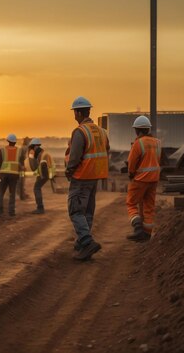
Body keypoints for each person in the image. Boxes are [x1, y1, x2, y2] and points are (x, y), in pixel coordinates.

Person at [65, 97, 109, 261]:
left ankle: (87, 241)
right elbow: (106, 149)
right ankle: (83, 244)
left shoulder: (80, 131)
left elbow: (75, 157)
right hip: (94, 177)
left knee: (76, 210)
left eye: (74, 112)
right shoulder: (101, 131)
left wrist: (69, 171)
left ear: (77, 112)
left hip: (81, 177)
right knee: (87, 211)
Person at [126, 115, 161, 242]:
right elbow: (157, 160)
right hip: (154, 179)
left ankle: (137, 228)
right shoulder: (157, 143)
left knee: (131, 203)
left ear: (137, 130)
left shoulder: (138, 143)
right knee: (149, 206)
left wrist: (131, 174)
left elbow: (131, 163)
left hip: (140, 179)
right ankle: (146, 235)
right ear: (148, 129)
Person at [0, 134, 24, 217]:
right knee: (12, 193)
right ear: (15, 142)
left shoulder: (2, 150)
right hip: (14, 175)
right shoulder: (19, 151)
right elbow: (21, 164)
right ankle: (11, 212)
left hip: (4, 174)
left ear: (8, 141)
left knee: (1, 192)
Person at [28, 138, 56, 214]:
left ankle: (40, 208)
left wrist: (42, 176)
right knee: (37, 188)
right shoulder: (42, 153)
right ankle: (40, 207)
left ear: (36, 146)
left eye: (33, 147)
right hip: (45, 174)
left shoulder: (43, 154)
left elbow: (44, 166)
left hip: (44, 174)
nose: (32, 149)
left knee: (36, 188)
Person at [18, 137, 31, 201]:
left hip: (22, 167)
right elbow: (20, 158)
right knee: (22, 181)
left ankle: (23, 194)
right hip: (21, 168)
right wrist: (22, 166)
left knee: (22, 181)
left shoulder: (23, 148)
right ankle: (22, 196)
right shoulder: (24, 148)